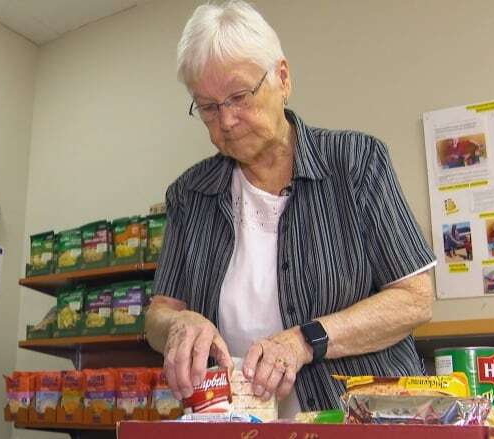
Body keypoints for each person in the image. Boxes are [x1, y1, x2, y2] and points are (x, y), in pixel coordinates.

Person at [145, 0, 436, 416]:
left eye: (239, 96)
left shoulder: (356, 160)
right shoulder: (190, 195)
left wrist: (304, 341)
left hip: (359, 416)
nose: (226, 121)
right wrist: (177, 324)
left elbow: (414, 298)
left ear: (282, 78)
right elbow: (159, 312)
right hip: (237, 419)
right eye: (208, 107)